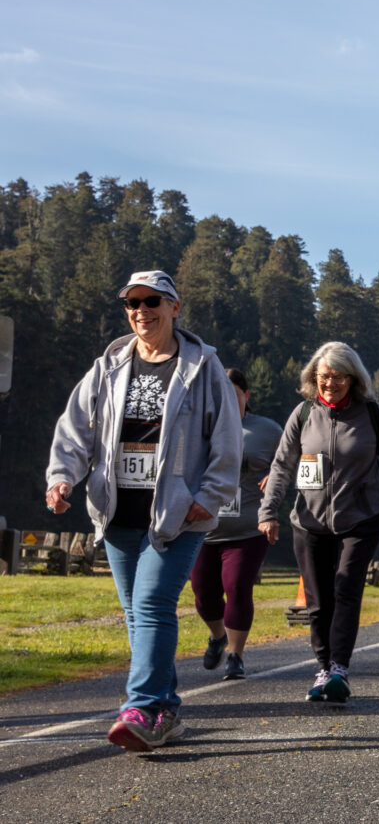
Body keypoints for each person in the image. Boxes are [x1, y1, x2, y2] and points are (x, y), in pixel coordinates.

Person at [45, 270, 241, 751]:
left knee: (152, 604)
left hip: (179, 515)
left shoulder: (202, 366)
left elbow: (227, 438)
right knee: (137, 614)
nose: (141, 311)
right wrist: (61, 477)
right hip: (116, 513)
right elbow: (75, 430)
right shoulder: (108, 365)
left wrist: (209, 497)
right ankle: (166, 711)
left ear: (175, 307)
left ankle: (141, 705)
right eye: (132, 303)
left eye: (153, 301)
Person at [259, 341, 379, 703]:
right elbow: (281, 466)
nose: (330, 383)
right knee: (317, 600)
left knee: (345, 589)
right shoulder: (302, 414)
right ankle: (323, 667)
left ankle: (339, 668)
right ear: (314, 378)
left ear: (353, 378)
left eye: (339, 377)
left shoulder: (371, 412)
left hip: (361, 517)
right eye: (324, 377)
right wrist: (268, 511)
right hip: (308, 521)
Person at [191, 368, 283, 680]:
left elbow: (293, 462)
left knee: (238, 586)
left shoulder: (268, 431)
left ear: (246, 395)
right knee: (203, 594)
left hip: (247, 528)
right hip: (202, 529)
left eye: (232, 395)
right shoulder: (196, 428)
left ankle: (235, 655)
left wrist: (276, 475)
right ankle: (218, 636)